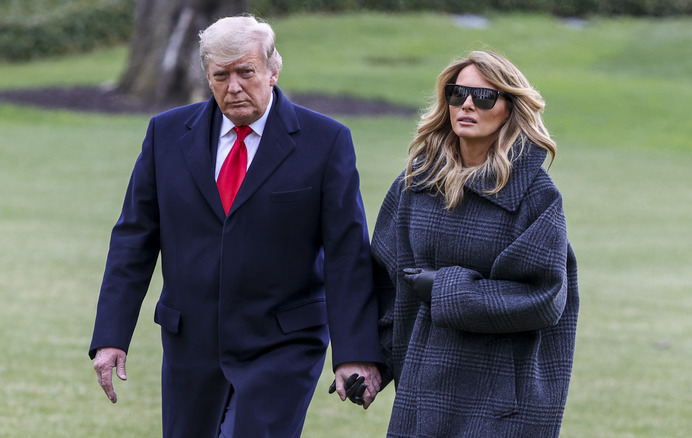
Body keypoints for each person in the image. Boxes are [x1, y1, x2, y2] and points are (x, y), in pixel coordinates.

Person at [89, 14, 383, 437]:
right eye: (220, 75)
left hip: (283, 344)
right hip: (191, 344)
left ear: (272, 71)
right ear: (207, 78)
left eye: (246, 72)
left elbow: (347, 253)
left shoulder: (326, 141)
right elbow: (134, 238)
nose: (234, 86)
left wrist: (354, 353)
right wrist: (111, 335)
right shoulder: (166, 135)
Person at [371, 50, 579, 437]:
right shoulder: (415, 184)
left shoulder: (536, 195)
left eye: (483, 96)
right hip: (420, 388)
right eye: (457, 93)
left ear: (510, 108)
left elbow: (546, 297)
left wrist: (448, 290)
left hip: (500, 399)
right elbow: (385, 279)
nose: (466, 104)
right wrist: (373, 362)